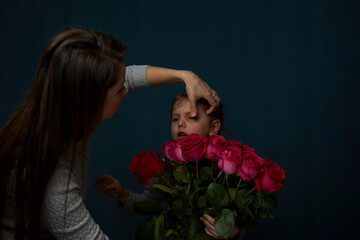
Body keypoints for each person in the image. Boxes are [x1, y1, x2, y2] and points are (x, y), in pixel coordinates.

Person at [0, 26, 220, 240]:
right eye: (118, 90)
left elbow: (128, 77)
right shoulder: (54, 180)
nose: (126, 90)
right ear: (90, 103)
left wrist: (185, 76)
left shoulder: (64, 111)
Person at [95, 91, 245, 240]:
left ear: (213, 127)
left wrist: (232, 232)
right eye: (175, 118)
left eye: (191, 117)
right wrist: (122, 194)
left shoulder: (225, 168)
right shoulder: (167, 167)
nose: (180, 123)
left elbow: (241, 216)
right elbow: (150, 202)